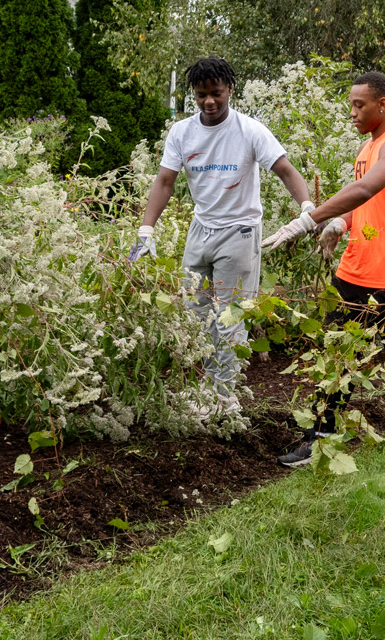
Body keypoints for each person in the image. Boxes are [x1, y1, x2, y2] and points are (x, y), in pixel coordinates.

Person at [262, 70, 385, 466]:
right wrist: (340, 223)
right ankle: (320, 434)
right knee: (335, 355)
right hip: (355, 269)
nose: (351, 112)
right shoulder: (366, 147)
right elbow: (366, 204)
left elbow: (367, 188)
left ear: (382, 105)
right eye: (351, 104)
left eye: (359, 105)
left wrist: (308, 220)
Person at [134, 57, 315, 396]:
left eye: (216, 93)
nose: (209, 102)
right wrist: (146, 229)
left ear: (230, 89)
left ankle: (224, 398)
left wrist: (307, 208)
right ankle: (205, 390)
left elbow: (286, 170)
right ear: (194, 95)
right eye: (201, 95)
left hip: (239, 232)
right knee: (196, 313)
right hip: (201, 230)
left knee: (229, 316)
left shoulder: (249, 130)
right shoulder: (183, 132)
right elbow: (164, 182)